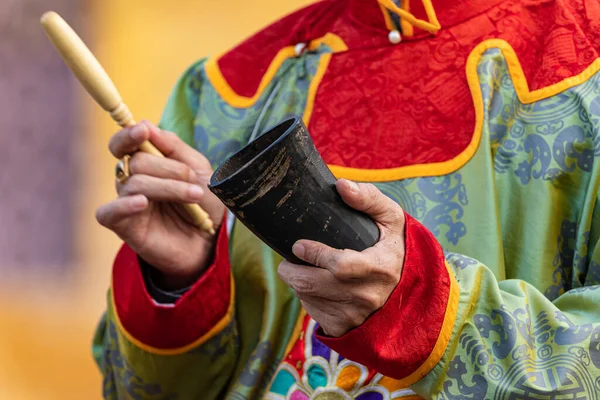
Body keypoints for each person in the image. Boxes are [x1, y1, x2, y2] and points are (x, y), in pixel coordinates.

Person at [92, 0, 600, 398]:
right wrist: (184, 282)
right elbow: (133, 389)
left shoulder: (586, 64)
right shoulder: (225, 89)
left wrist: (427, 315)